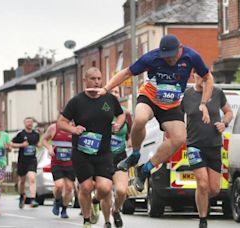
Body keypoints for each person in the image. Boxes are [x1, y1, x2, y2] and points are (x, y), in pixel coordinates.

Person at [94, 34, 214, 192]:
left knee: (180, 138)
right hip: (150, 97)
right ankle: (135, 155)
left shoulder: (191, 57)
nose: (169, 60)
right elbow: (126, 73)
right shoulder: (151, 58)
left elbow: (208, 78)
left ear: (179, 49)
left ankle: (145, 169)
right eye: (166, 57)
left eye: (172, 57)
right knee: (141, 119)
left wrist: (204, 103)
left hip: (171, 104)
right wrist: (105, 89)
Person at [58, 67, 125, 228]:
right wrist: (73, 129)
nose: (96, 82)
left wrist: (118, 124)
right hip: (82, 152)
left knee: (105, 187)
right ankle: (87, 220)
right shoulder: (76, 101)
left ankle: (96, 201)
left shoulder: (109, 98)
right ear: (85, 80)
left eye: (99, 78)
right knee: (86, 187)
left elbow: (121, 114)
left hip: (103, 152)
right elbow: (61, 122)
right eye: (93, 78)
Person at [181, 71, 232, 228]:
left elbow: (228, 112)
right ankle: (203, 220)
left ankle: (200, 197)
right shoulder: (187, 95)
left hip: (214, 145)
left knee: (214, 189)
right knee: (202, 184)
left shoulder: (217, 92)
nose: (202, 79)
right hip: (194, 145)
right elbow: (176, 115)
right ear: (193, 76)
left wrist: (224, 123)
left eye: (206, 75)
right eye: (199, 75)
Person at [41, 120, 75, 219]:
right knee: (59, 185)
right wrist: (49, 148)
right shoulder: (54, 127)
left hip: (70, 163)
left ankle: (64, 209)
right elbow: (43, 140)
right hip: (57, 162)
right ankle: (57, 200)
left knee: (68, 188)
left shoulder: (74, 128)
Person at [109, 86, 133, 228]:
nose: (114, 94)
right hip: (103, 157)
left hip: (120, 155)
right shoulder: (101, 111)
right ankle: (105, 220)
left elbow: (131, 133)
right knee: (104, 190)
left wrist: (131, 141)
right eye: (111, 92)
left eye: (117, 92)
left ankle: (116, 210)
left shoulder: (126, 114)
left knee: (121, 190)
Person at [11, 117, 41, 208]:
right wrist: (21, 145)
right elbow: (11, 144)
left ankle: (32, 199)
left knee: (32, 178)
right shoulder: (20, 134)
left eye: (31, 122)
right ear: (24, 123)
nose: (30, 123)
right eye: (28, 122)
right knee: (22, 181)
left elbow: (38, 144)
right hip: (22, 161)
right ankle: (21, 195)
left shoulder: (36, 134)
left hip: (32, 160)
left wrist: (39, 145)